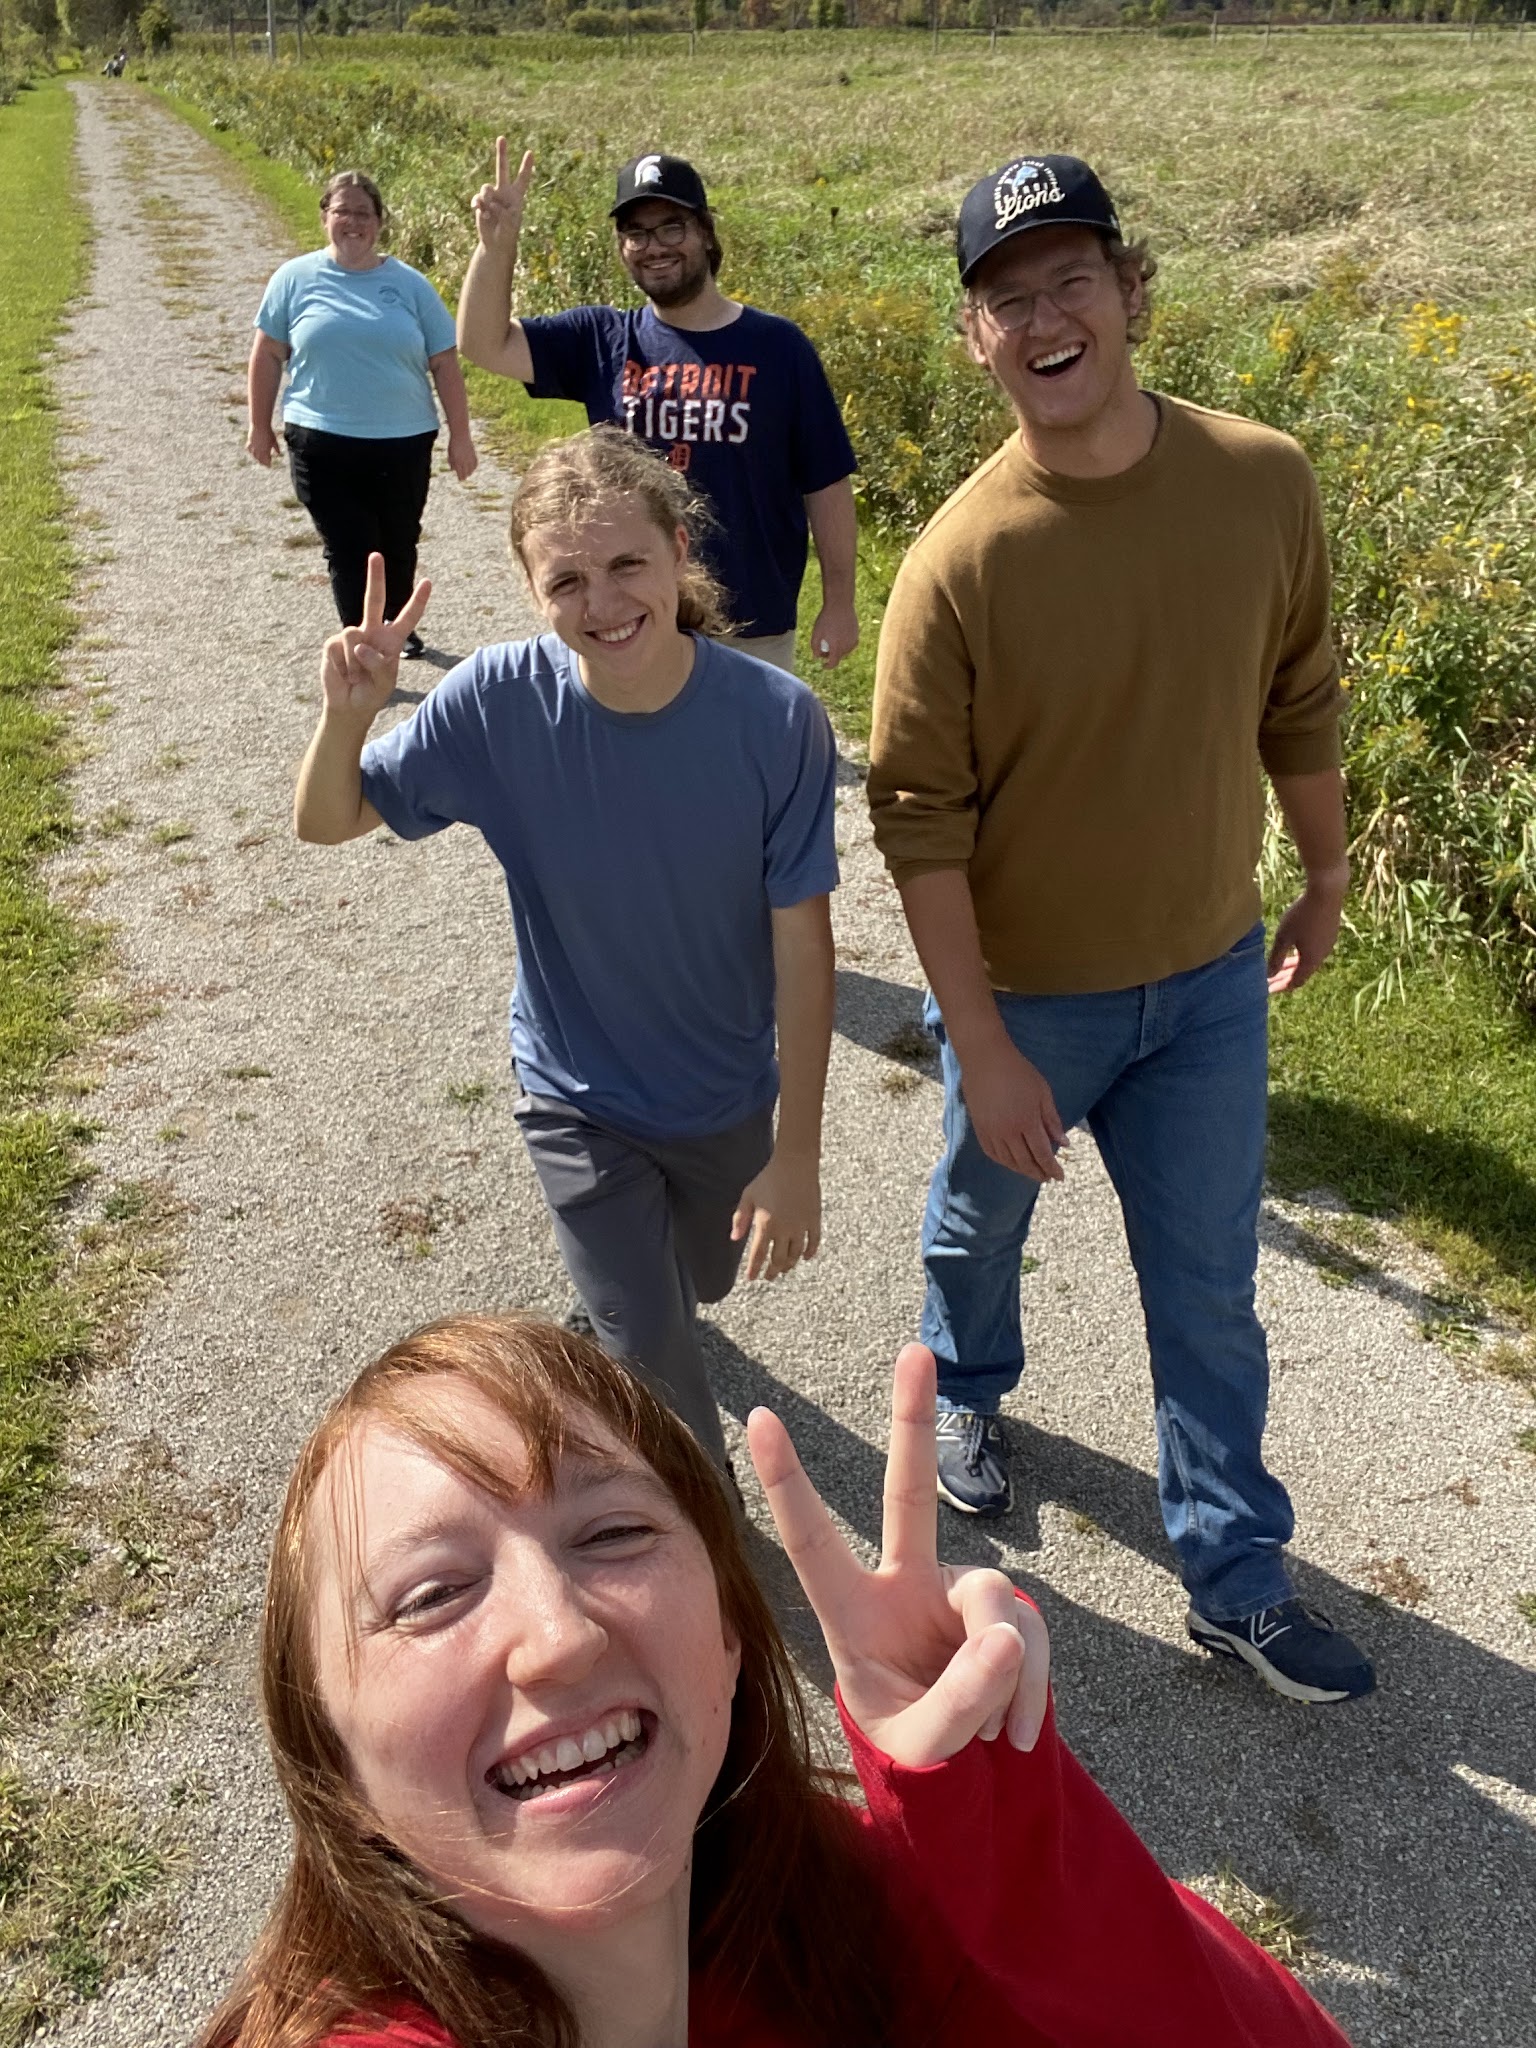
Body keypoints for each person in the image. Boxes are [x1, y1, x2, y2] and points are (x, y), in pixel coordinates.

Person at [195, 1312, 1355, 2048]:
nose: (557, 1634)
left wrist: (993, 1817)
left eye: (610, 1535)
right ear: (328, 1751)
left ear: (734, 1637)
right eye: (432, 1594)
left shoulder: (834, 1913)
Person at [866, 154, 1375, 1706]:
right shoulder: (959, 561)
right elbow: (919, 827)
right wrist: (992, 1045)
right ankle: (966, 1388)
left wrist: (1326, 871)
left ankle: (1233, 1577)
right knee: (979, 1220)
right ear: (977, 342)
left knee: (1212, 1290)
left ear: (1131, 292)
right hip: (1034, 998)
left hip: (1212, 978)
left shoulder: (1261, 479)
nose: (1045, 317)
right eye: (1007, 300)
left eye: (1071, 280)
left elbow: (1302, 690)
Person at [293, 428, 836, 1473]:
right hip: (573, 1092)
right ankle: (713, 1565)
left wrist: (797, 1150)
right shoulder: (497, 701)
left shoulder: (775, 722)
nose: (604, 600)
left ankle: (629, 1299)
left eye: (629, 563)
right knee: (658, 1367)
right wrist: (346, 718)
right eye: (568, 578)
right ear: (529, 586)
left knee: (698, 1287)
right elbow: (328, 818)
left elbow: (803, 943)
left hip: (721, 1089)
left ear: (681, 551)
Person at [456, 142, 858, 678]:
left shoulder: (779, 347)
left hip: (750, 626)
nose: (654, 247)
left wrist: (840, 603)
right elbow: (482, 343)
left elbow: (826, 483)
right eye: (636, 233)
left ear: (706, 233)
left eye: (671, 227)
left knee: (744, 761)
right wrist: (496, 247)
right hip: (628, 617)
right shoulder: (602, 338)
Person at [248, 169, 477, 658]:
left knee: (397, 541)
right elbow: (268, 353)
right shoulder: (294, 279)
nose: (353, 222)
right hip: (320, 438)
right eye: (342, 211)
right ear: (325, 216)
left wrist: (462, 437)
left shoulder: (410, 286)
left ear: (379, 222)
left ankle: (395, 626)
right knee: (351, 547)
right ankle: (362, 637)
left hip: (403, 439)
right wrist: (257, 424)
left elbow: (444, 362)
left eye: (363, 213)